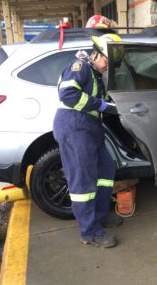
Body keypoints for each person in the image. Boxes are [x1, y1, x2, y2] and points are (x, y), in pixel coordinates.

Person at [53, 33, 123, 248]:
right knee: (83, 182)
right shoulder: (80, 67)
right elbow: (68, 94)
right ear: (95, 54)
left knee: (106, 168)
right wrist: (99, 105)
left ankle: (99, 217)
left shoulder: (94, 74)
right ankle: (90, 232)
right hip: (75, 128)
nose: (106, 66)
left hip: (89, 129)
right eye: (106, 61)